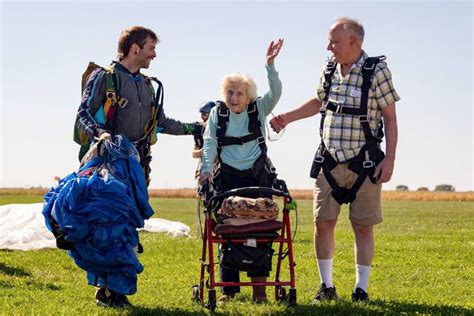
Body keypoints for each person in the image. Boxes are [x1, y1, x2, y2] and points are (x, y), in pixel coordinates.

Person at [271, 17, 399, 303]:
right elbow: (320, 103)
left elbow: (390, 119)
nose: (329, 47)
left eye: (335, 42)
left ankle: (361, 290)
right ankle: (326, 287)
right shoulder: (329, 69)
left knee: (362, 226)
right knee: (322, 223)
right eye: (330, 41)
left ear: (354, 42)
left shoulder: (376, 71)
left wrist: (389, 160)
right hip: (328, 162)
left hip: (365, 164)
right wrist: (287, 118)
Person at [76, 25, 202, 308]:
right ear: (135, 48)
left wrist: (197, 127)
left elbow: (162, 123)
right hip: (108, 166)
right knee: (111, 226)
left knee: (129, 225)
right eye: (151, 48)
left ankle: (111, 289)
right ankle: (110, 291)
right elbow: (83, 112)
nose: (154, 54)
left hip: (138, 169)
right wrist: (100, 134)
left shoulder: (147, 86)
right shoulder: (104, 78)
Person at [199, 39, 284, 303]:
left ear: (248, 96)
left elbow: (276, 92)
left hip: (257, 176)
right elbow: (210, 142)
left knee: (261, 229)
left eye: (239, 93)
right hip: (227, 177)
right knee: (229, 232)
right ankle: (228, 290)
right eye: (230, 93)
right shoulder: (217, 114)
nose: (234, 98)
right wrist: (205, 171)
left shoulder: (258, 108)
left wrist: (270, 66)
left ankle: (260, 292)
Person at [192, 101, 217, 180]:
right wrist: (207, 150)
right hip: (205, 166)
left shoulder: (222, 128)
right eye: (201, 114)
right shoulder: (199, 130)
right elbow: (194, 153)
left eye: (204, 114)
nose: (202, 118)